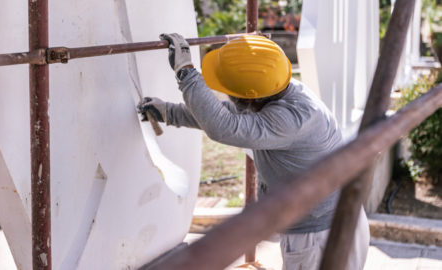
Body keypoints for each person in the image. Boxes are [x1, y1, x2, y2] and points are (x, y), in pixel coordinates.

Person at [138, 33, 370, 270]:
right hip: (336, 220)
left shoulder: (289, 120)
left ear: (249, 97)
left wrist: (186, 72)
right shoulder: (280, 91)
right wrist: (169, 112)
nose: (226, 93)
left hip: (319, 236)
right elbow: (230, 115)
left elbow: (225, 126)